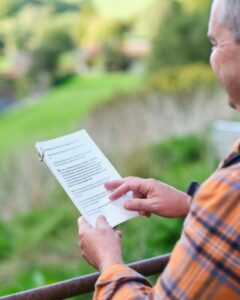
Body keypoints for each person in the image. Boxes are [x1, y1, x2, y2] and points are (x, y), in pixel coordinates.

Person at [78, 0, 240, 298]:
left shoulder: (233, 190)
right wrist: (194, 204)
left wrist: (109, 263)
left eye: (216, 43)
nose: (211, 58)